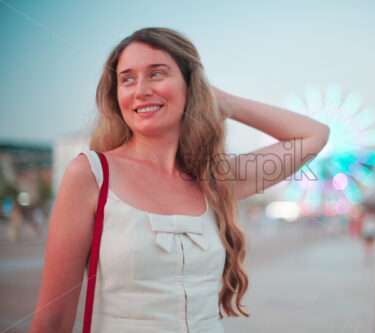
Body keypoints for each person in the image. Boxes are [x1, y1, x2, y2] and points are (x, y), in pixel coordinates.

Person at [30, 27, 329, 332]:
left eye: (156, 74)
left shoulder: (214, 179)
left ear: (191, 85)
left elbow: (314, 135)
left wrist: (225, 103)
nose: (140, 90)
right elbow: (52, 321)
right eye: (127, 78)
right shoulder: (91, 175)